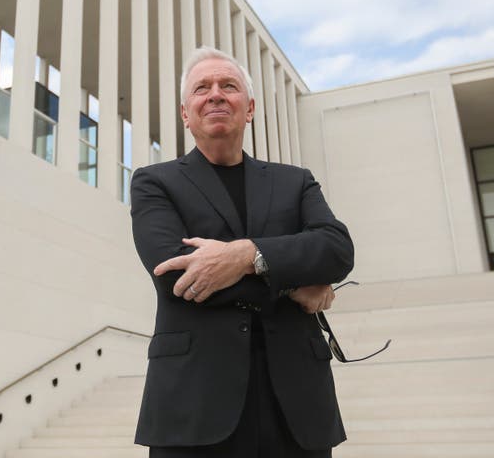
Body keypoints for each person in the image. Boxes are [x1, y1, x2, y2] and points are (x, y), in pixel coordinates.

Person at [130, 46, 354, 457]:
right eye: (202, 88)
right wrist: (289, 286)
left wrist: (247, 255)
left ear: (248, 108)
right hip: (194, 407)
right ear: (186, 112)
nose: (215, 94)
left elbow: (337, 249)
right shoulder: (154, 183)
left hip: (298, 409)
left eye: (228, 86)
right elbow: (176, 276)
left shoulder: (295, 182)